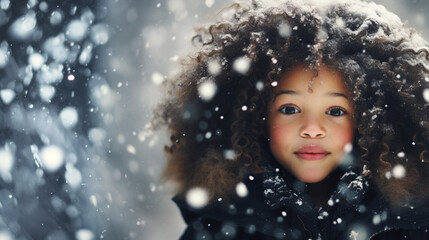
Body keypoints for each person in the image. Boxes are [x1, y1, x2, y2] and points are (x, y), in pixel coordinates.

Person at [153, 0, 429, 239]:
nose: (311, 130)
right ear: (257, 119)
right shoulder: (219, 227)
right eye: (289, 109)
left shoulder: (412, 223)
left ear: (371, 122)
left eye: (335, 111)